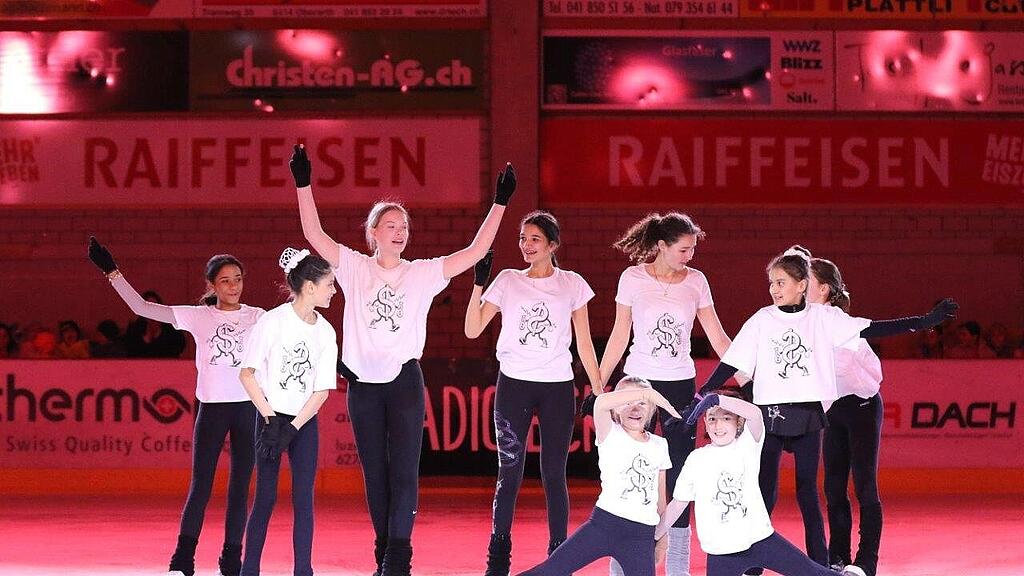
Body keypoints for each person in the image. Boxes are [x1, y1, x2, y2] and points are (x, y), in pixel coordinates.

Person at [291, 144, 517, 576]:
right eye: (391, 225)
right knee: (375, 475)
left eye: (405, 226)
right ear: (373, 232)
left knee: (405, 474)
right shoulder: (354, 266)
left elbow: (474, 251)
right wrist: (303, 183)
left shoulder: (422, 273)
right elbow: (314, 235)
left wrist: (500, 202)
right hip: (363, 387)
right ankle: (385, 551)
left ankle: (398, 559)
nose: (399, 231)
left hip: (404, 384)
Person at [694, 246, 958, 571]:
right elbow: (735, 360)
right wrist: (705, 392)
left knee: (837, 488)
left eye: (782, 282)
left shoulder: (828, 320)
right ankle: (804, 562)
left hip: (843, 407)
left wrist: (922, 322)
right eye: (772, 283)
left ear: (809, 286)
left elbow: (872, 331)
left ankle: (846, 564)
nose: (774, 289)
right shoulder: (767, 318)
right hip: (792, 413)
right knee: (795, 489)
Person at [88, 237, 264, 576]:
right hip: (212, 410)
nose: (233, 286)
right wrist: (112, 272)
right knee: (201, 486)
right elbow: (142, 308)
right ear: (212, 285)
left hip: (248, 409)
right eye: (225, 281)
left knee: (240, 488)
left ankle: (231, 561)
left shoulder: (258, 317)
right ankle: (182, 561)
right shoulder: (198, 316)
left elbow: (292, 330)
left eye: (238, 279)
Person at [597, 212, 740, 576]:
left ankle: (677, 565)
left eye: (692, 249)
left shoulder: (697, 281)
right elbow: (619, 334)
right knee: (634, 468)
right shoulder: (632, 278)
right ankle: (624, 561)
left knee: (679, 473)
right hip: (639, 383)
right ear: (661, 245)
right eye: (683, 249)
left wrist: (747, 375)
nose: (689, 256)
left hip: (680, 384)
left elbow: (717, 335)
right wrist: (599, 386)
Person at [465, 210, 603, 575]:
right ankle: (498, 560)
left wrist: (598, 390)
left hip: (557, 387)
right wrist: (478, 284)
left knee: (554, 474)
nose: (526, 245)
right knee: (509, 472)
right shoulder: (508, 280)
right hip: (514, 385)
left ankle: (559, 559)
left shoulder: (572, 284)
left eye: (535, 239)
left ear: (553, 245)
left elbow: (584, 343)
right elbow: (472, 329)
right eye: (523, 238)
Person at [658, 391, 847, 576]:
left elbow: (755, 413)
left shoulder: (747, 445)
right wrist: (656, 535)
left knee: (814, 573)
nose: (718, 425)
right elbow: (678, 504)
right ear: (705, 423)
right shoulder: (696, 459)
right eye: (712, 419)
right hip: (721, 552)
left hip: (760, 540)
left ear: (738, 422)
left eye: (726, 418)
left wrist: (718, 399)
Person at [238, 247, 338, 576]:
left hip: (303, 423)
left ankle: (303, 571)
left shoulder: (326, 332)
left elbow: (321, 390)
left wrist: (293, 427)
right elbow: (247, 374)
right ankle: (249, 570)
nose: (334, 291)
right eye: (329, 284)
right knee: (265, 496)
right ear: (309, 286)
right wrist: (270, 419)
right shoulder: (272, 322)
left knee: (303, 499)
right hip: (269, 418)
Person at [514, 376, 679, 576]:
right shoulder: (610, 433)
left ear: (652, 409)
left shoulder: (659, 445)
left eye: (642, 403)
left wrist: (662, 539)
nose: (634, 408)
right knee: (552, 570)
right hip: (603, 526)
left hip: (640, 536)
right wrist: (645, 393)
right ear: (615, 409)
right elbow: (601, 402)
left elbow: (660, 498)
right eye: (627, 401)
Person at [805, 256, 883, 576]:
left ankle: (866, 563)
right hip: (833, 409)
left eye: (806, 281)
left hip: (862, 405)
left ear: (823, 289)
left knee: (864, 485)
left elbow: (867, 374)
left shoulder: (840, 325)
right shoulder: (804, 322)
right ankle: (838, 558)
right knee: (834, 488)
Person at [125, 289, 188, 358]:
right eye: (148, 306)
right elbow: (130, 351)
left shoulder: (171, 329)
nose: (152, 310)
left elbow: (179, 348)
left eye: (154, 306)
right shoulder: (135, 329)